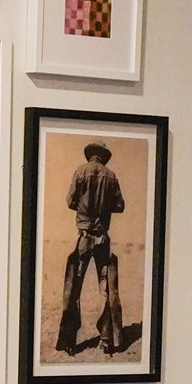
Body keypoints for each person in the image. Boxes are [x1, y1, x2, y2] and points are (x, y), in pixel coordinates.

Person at [55, 142, 125, 356]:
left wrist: (85, 209)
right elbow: (120, 205)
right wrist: (103, 209)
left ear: (90, 155)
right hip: (102, 238)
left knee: (73, 289)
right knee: (106, 289)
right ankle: (106, 340)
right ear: (103, 157)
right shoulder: (111, 176)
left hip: (84, 238)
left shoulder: (80, 171)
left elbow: (70, 201)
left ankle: (68, 342)